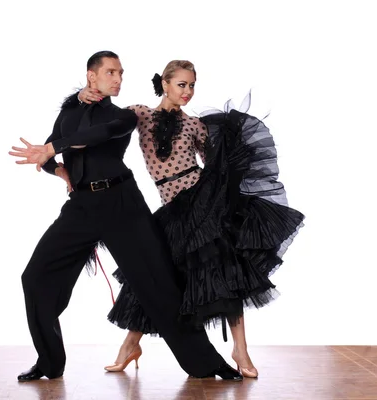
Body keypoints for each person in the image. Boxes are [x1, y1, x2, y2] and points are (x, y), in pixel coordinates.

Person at [8, 51, 242, 381]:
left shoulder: (122, 116)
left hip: (122, 204)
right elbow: (50, 148)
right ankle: (49, 362)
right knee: (35, 277)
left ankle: (207, 363)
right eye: (111, 73)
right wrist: (59, 170)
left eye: (121, 73)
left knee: (159, 283)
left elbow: (97, 135)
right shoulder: (70, 111)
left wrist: (54, 147)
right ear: (92, 76)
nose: (118, 79)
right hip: (82, 207)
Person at [78, 60, 305, 378]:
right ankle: (130, 345)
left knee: (225, 272)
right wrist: (88, 96)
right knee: (150, 278)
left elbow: (214, 165)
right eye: (181, 84)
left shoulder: (195, 126)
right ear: (165, 84)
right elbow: (110, 124)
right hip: (171, 210)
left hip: (201, 205)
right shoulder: (142, 114)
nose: (187, 91)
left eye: (192, 85)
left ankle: (240, 350)